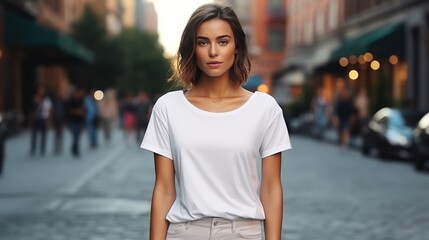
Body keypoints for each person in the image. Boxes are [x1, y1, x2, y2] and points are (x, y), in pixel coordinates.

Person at [140, 3, 291, 240]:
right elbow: (164, 189)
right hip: (184, 232)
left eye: (223, 41)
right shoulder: (168, 107)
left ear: (237, 47)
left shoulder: (265, 108)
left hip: (242, 232)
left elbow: (272, 188)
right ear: (192, 48)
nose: (213, 52)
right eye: (203, 42)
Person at [30, 86, 52, 156]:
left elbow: (49, 109)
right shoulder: (34, 98)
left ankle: (42, 149)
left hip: (43, 118)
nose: (41, 91)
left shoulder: (47, 99)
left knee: (44, 135)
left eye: (43, 90)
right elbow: (31, 108)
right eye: (40, 90)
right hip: (36, 118)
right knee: (34, 134)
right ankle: (33, 148)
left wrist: (49, 120)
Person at [66, 86, 86, 157]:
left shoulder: (81, 100)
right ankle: (74, 149)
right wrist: (78, 111)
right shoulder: (71, 100)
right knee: (75, 136)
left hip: (80, 121)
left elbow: (84, 109)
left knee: (78, 136)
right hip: (73, 121)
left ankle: (75, 149)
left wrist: (82, 111)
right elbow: (69, 110)